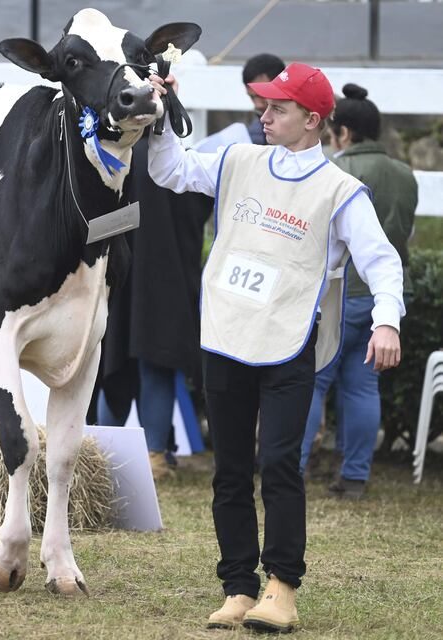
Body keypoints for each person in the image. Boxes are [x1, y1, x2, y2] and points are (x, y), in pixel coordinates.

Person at [148, 63, 404, 633]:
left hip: (290, 345)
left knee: (279, 466)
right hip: (225, 337)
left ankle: (281, 589)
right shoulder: (238, 161)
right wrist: (163, 116)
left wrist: (386, 322)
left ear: (313, 120)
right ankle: (238, 587)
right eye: (264, 106)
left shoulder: (341, 191)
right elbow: (170, 170)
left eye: (278, 108)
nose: (264, 115)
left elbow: (382, 262)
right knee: (230, 471)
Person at [299, 84, 418, 499]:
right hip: (383, 298)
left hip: (339, 293)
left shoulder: (335, 172)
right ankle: (354, 477)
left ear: (342, 133)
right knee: (363, 388)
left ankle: (291, 470)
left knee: (313, 382)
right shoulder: (405, 175)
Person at [96, 132, 213, 480]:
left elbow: (96, 226)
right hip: (169, 283)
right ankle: (155, 457)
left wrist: (131, 217)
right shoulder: (185, 162)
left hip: (123, 280)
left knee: (113, 368)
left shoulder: (119, 158)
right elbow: (199, 212)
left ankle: (103, 455)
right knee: (157, 367)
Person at [242, 54, 286, 145]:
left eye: (262, 95)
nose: (258, 104)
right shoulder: (252, 133)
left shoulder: (305, 124)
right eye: (251, 97)